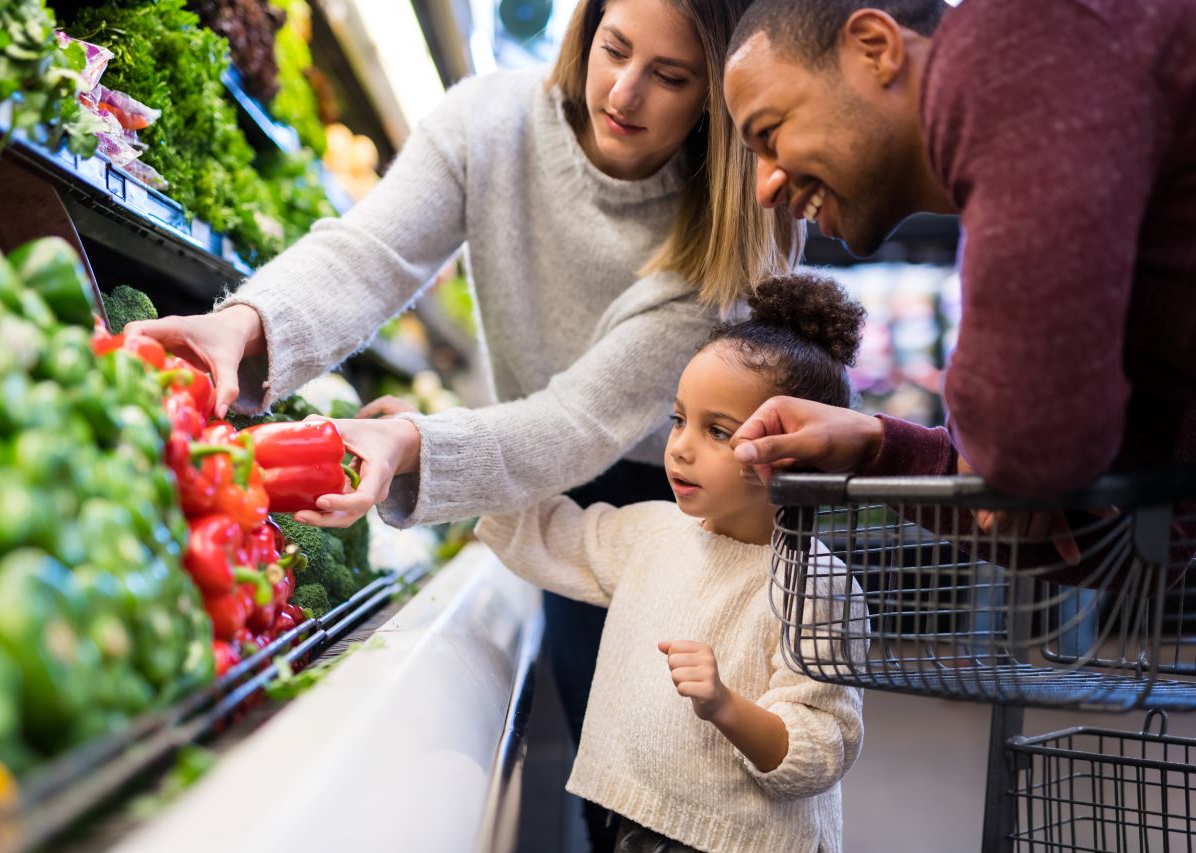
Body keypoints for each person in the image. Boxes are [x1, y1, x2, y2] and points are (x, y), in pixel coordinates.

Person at [127, 1, 802, 847]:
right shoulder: (489, 120)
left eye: (670, 77)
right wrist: (250, 323)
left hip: (680, 508)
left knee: (678, 792)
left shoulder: (719, 235)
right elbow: (370, 253)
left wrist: (416, 441)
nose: (624, 91)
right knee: (606, 781)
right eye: (614, 49)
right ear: (583, 31)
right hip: (554, 489)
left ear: (714, 94)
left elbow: (579, 420)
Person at [719, 0, 1196, 521]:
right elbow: (1131, 529)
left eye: (769, 133)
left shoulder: (1029, 39)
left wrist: (1005, 462)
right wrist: (875, 447)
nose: (765, 187)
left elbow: (1023, 453)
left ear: (875, 48)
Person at [477, 273, 865, 853]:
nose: (681, 446)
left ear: (796, 453)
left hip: (741, 842)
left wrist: (725, 705)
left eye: (718, 431)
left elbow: (822, 744)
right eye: (679, 419)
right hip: (636, 824)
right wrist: (422, 454)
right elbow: (548, 532)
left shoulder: (815, 585)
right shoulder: (654, 533)